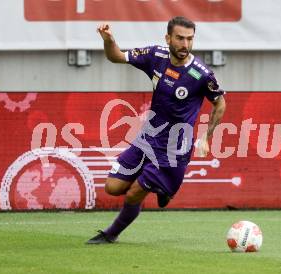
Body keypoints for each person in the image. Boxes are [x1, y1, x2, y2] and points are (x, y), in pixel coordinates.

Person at [87, 16, 226, 244]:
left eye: (190, 39)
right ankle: (162, 187)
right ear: (168, 38)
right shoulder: (155, 56)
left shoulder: (201, 74)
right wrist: (109, 40)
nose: (185, 44)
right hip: (148, 137)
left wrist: (206, 137)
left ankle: (111, 234)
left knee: (133, 193)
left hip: (173, 150)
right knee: (112, 187)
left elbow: (220, 102)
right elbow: (117, 56)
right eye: (180, 38)